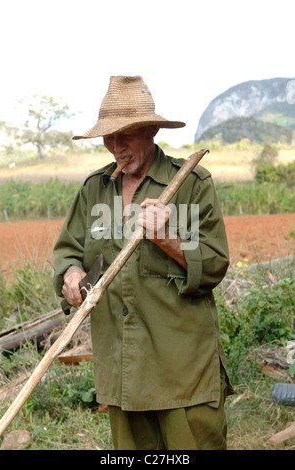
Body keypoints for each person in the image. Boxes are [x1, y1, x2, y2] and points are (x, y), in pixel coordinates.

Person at [52, 75, 233, 450]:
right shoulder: (94, 189)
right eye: (108, 137)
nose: (116, 147)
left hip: (182, 370)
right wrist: (70, 274)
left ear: (151, 129)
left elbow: (214, 265)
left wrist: (168, 240)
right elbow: (68, 249)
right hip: (120, 369)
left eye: (126, 136)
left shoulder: (190, 184)